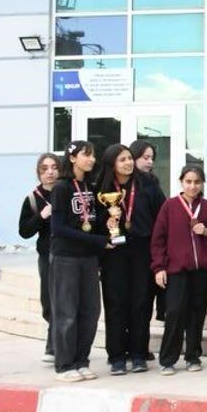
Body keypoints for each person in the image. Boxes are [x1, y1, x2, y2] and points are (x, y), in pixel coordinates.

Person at [150, 166, 207, 375]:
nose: (192, 186)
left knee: (197, 312)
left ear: (202, 183)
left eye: (197, 182)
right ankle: (167, 359)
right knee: (174, 312)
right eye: (188, 181)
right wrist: (159, 267)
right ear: (181, 182)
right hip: (176, 269)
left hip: (202, 270)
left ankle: (193, 356)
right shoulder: (170, 206)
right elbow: (158, 239)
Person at [96, 144, 160, 376]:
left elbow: (160, 216)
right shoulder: (101, 189)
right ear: (112, 163)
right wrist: (105, 223)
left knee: (141, 303)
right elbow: (93, 221)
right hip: (114, 252)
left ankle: (139, 353)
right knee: (116, 303)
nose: (128, 163)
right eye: (122, 160)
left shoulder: (147, 184)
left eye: (129, 159)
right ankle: (116, 356)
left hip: (142, 250)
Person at [49, 141, 103, 382]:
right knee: (67, 312)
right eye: (86, 155)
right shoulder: (61, 187)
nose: (91, 159)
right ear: (72, 158)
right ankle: (64, 365)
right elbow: (58, 227)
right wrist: (96, 240)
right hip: (66, 258)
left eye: (93, 155)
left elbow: (93, 220)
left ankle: (82, 360)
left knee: (91, 311)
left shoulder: (89, 186)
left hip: (88, 258)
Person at [19, 153, 60, 363]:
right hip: (47, 255)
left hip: (69, 253)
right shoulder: (33, 198)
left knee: (64, 300)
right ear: (39, 173)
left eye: (54, 167)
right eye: (44, 169)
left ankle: (55, 346)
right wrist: (41, 216)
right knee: (49, 301)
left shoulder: (67, 191)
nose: (50, 172)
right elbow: (24, 231)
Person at [129, 139, 168, 343]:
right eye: (145, 157)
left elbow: (162, 216)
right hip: (124, 248)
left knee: (143, 299)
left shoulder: (152, 184)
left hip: (147, 247)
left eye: (152, 158)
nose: (149, 162)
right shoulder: (121, 183)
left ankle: (140, 347)